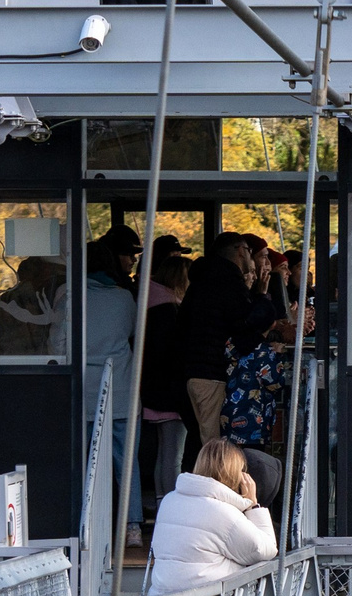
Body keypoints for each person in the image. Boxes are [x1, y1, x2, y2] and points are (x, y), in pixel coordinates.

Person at [146, 438, 277, 593]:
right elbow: (264, 550)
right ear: (236, 474)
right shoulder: (224, 513)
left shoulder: (169, 500)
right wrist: (253, 505)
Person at [81, 229, 142, 543]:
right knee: (125, 460)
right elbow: (133, 334)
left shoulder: (71, 295)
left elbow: (58, 341)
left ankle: (90, 526)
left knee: (87, 461)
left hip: (84, 392)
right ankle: (132, 527)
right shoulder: (123, 297)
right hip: (122, 387)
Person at [176, 231, 259, 455]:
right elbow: (244, 325)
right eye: (250, 252)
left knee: (201, 439)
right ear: (241, 251)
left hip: (193, 372)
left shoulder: (201, 281)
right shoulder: (228, 282)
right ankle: (211, 489)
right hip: (212, 372)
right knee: (214, 447)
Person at [138, 255, 191, 523]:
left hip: (153, 390)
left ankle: (161, 501)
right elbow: (176, 355)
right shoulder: (171, 311)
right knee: (174, 456)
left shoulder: (149, 307)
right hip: (171, 394)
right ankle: (170, 509)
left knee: (163, 454)